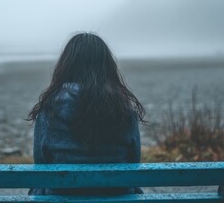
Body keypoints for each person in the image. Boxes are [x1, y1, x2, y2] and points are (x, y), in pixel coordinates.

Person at [27, 32, 145, 195]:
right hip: (116, 196)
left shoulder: (50, 109)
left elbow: (41, 164)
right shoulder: (123, 108)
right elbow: (133, 161)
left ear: (66, 65)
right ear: (108, 66)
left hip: (61, 196)